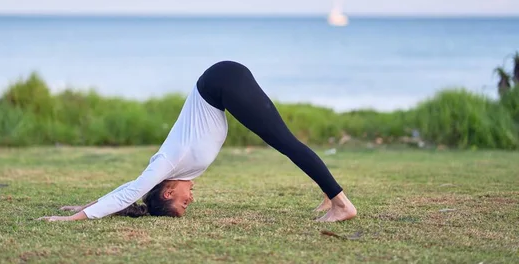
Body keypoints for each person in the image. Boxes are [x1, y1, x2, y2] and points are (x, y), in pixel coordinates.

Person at [37, 61, 356, 223]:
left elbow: (132, 191)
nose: (190, 202)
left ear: (167, 190)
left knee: (285, 141)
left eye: (181, 204)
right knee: (284, 142)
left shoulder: (167, 163)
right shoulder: (179, 171)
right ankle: (332, 197)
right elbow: (129, 192)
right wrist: (85, 205)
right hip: (223, 86)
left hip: (221, 82)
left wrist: (72, 218)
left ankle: (341, 204)